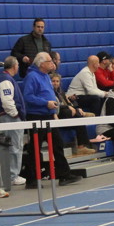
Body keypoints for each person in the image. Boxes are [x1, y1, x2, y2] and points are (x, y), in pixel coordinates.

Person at [20, 52, 81, 186]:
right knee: (35, 148)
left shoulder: (46, 76)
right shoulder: (32, 77)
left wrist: (53, 111)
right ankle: (31, 179)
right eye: (49, 61)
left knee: (57, 144)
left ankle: (64, 175)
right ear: (41, 64)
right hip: (37, 116)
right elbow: (28, 97)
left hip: (48, 115)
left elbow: (50, 94)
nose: (52, 63)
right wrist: (45, 103)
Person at [0, 57, 26, 187]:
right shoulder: (6, 80)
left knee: (15, 146)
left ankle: (13, 174)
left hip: (11, 117)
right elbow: (7, 101)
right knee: (15, 146)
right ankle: (13, 175)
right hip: (11, 118)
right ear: (14, 66)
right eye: (17, 65)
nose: (18, 68)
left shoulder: (7, 79)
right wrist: (15, 114)